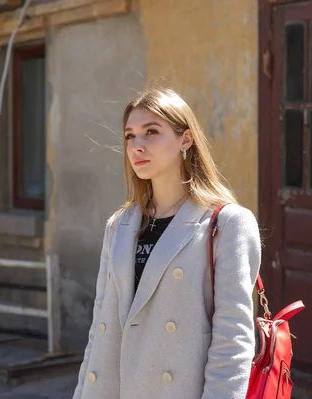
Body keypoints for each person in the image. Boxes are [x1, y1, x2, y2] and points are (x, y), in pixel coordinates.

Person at [72, 87, 261, 399]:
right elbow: (100, 328)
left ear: (185, 140)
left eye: (151, 132)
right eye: (130, 135)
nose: (137, 145)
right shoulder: (119, 226)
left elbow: (233, 339)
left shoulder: (227, 224)